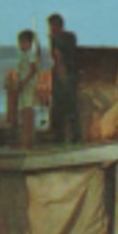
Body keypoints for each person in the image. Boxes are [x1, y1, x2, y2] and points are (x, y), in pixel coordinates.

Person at [47, 14, 81, 145]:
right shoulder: (58, 38)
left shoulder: (68, 37)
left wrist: (54, 40)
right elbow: (54, 55)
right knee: (58, 106)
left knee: (70, 106)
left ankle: (74, 136)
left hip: (67, 74)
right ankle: (59, 135)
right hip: (60, 75)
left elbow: (60, 54)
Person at [7, 30, 40, 149]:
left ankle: (27, 141)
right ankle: (24, 139)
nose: (20, 45)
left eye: (22, 42)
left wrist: (24, 82)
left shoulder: (30, 54)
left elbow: (33, 69)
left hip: (28, 86)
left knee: (27, 111)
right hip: (23, 86)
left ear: (28, 43)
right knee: (22, 111)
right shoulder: (23, 54)